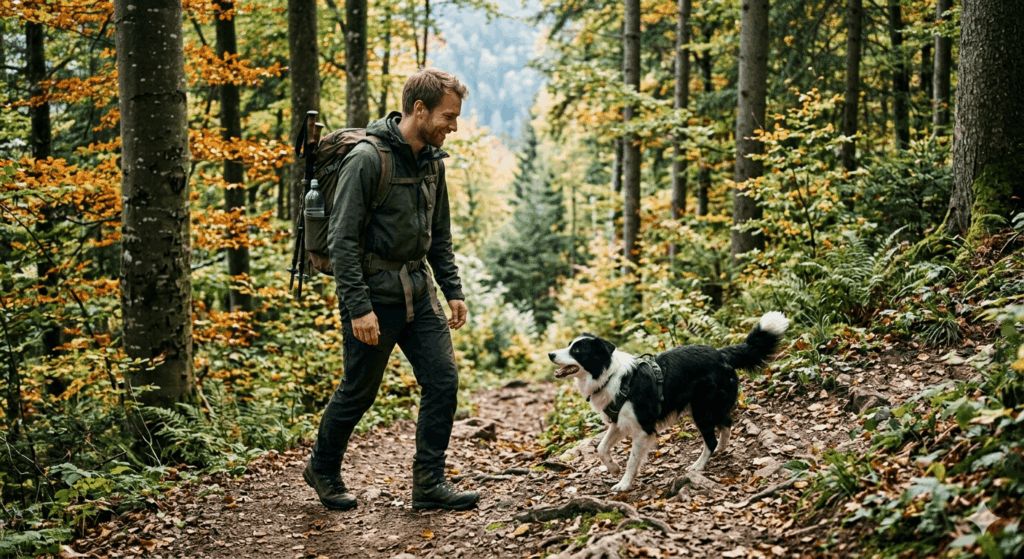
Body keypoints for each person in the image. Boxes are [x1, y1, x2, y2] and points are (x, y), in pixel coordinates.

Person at [302, 68, 479, 512]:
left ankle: (429, 483)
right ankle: (322, 468)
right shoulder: (367, 159)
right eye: (448, 116)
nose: (453, 127)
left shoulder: (432, 162)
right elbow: (342, 239)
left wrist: (452, 289)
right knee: (359, 390)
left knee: (442, 381)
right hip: (374, 297)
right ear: (418, 110)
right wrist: (358, 308)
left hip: (419, 292)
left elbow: (440, 234)